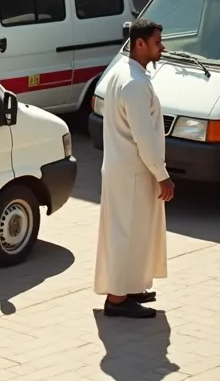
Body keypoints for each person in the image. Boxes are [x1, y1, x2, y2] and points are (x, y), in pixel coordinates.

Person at [94, 19, 173, 318]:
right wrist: (163, 175)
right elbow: (144, 136)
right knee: (126, 233)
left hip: (124, 168)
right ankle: (117, 299)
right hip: (133, 171)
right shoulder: (134, 83)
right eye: (156, 42)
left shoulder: (122, 72)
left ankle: (131, 287)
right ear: (140, 44)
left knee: (134, 232)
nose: (161, 47)